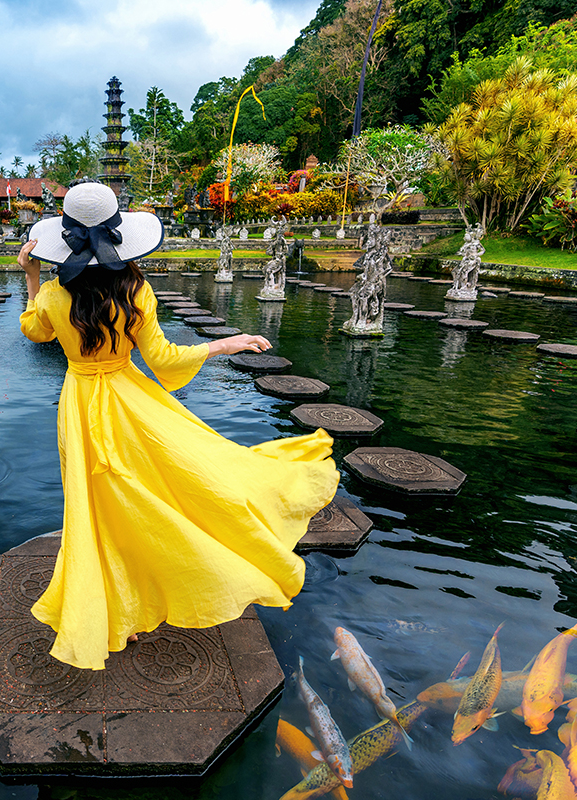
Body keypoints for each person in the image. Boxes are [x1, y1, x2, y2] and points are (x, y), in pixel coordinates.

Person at [18, 181, 340, 671]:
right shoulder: (135, 291)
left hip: (80, 405)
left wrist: (31, 275)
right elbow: (165, 362)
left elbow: (35, 331)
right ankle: (156, 580)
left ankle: (112, 599)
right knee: (162, 486)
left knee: (94, 504)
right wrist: (221, 345)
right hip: (129, 400)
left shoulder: (53, 297)